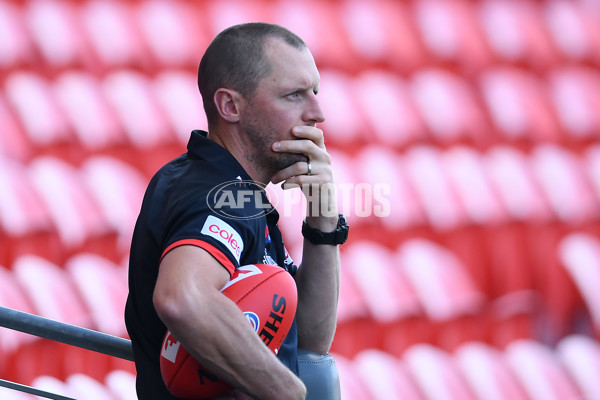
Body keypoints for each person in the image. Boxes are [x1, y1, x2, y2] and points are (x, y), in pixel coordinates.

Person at [125, 22, 348, 400]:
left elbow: (309, 339)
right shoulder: (218, 194)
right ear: (230, 106)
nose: (318, 113)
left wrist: (323, 221)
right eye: (294, 95)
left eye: (314, 92)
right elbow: (182, 296)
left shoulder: (238, 191)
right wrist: (287, 392)